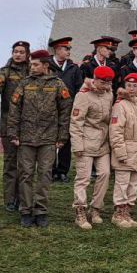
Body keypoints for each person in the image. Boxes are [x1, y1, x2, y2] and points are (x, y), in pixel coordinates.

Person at [10, 50, 72, 228]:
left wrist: (62, 136)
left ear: (46, 66)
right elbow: (14, 110)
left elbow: (65, 111)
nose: (32, 67)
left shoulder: (58, 84)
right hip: (26, 138)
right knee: (25, 175)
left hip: (49, 138)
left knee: (44, 175)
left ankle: (41, 210)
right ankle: (26, 211)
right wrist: (13, 134)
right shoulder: (24, 84)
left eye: (36, 64)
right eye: (31, 64)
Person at [69, 67, 115, 229]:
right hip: (86, 141)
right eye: (103, 82)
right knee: (83, 178)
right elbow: (76, 122)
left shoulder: (109, 94)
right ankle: (80, 210)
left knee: (104, 174)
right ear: (95, 79)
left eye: (108, 82)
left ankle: (95, 209)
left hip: (103, 142)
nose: (105, 85)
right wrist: (77, 145)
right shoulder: (83, 95)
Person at [0, 41, 30, 212]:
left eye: (21, 52)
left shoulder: (31, 72)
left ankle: (24, 198)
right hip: (9, 125)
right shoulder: (5, 72)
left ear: (27, 54)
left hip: (29, 126)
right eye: (15, 51)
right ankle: (10, 199)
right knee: (11, 163)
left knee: (26, 165)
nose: (18, 54)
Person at [109, 72, 137, 228]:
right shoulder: (120, 105)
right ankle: (118, 214)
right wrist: (120, 152)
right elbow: (115, 131)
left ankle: (127, 212)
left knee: (134, 184)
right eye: (129, 85)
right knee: (122, 183)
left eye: (135, 85)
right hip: (125, 149)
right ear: (125, 86)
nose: (132, 88)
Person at [48, 37, 84, 183]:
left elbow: (79, 89)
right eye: (66, 49)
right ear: (57, 49)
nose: (69, 51)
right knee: (49, 140)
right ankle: (50, 170)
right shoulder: (47, 66)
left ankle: (62, 171)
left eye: (69, 49)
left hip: (68, 110)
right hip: (49, 110)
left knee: (66, 140)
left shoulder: (73, 68)